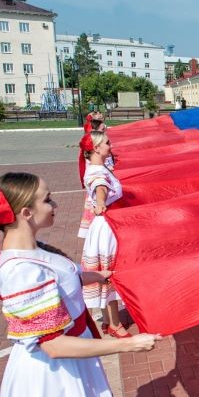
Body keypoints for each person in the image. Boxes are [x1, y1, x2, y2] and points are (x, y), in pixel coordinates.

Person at [0, 172, 161, 397]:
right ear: (26, 213)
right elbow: (53, 344)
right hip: (52, 376)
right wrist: (128, 344)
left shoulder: (34, 251)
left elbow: (66, 278)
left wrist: (104, 275)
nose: (54, 204)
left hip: (71, 364)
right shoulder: (21, 271)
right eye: (47, 199)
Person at [81, 131, 129, 337]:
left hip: (104, 225)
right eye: (107, 143)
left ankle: (108, 319)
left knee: (104, 272)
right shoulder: (96, 172)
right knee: (109, 274)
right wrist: (100, 202)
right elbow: (100, 186)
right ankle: (115, 324)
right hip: (106, 227)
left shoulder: (98, 167)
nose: (111, 146)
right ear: (97, 148)